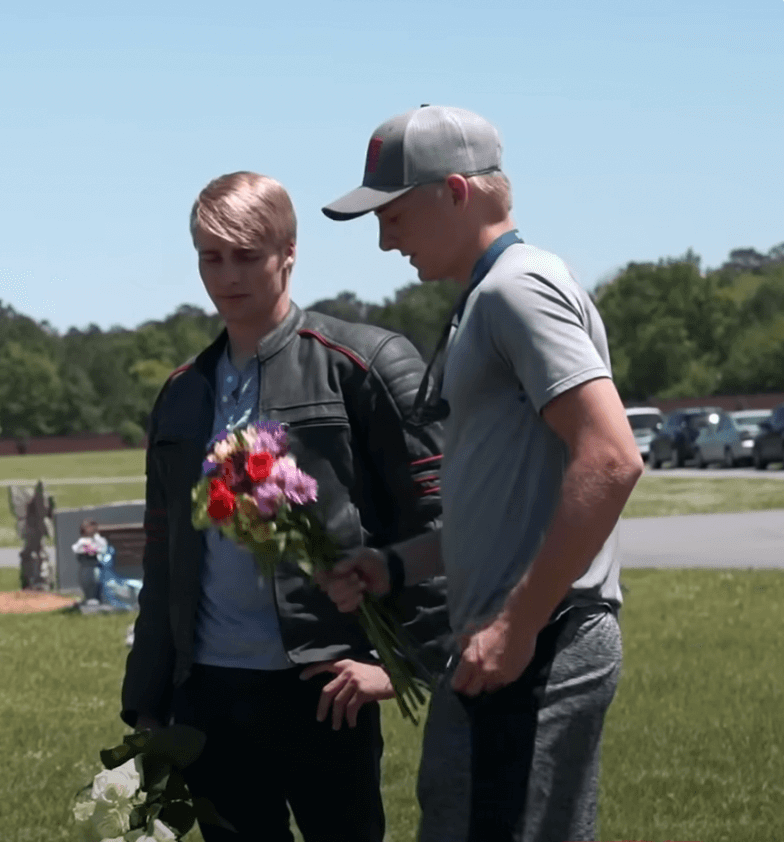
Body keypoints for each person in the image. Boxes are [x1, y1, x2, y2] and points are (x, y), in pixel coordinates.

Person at [318, 105, 641, 842]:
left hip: (540, 641)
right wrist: (397, 565)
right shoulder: (488, 298)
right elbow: (506, 500)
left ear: (456, 193)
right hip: (514, 640)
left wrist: (516, 624)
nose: (383, 238)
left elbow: (611, 457)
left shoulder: (516, 290)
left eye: (394, 213)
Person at [120, 172, 450, 842]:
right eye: (212, 256)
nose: (227, 275)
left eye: (247, 255)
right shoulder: (183, 395)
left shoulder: (365, 362)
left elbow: (439, 524)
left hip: (325, 686)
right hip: (209, 692)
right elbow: (166, 552)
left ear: (289, 251)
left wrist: (401, 664)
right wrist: (149, 696)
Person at [72, 518, 111, 603]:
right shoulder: (82, 541)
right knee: (87, 574)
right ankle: (90, 597)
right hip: (89, 566)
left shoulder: (99, 540)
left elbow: (103, 549)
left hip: (99, 567)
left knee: (91, 575)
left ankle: (93, 598)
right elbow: (77, 549)